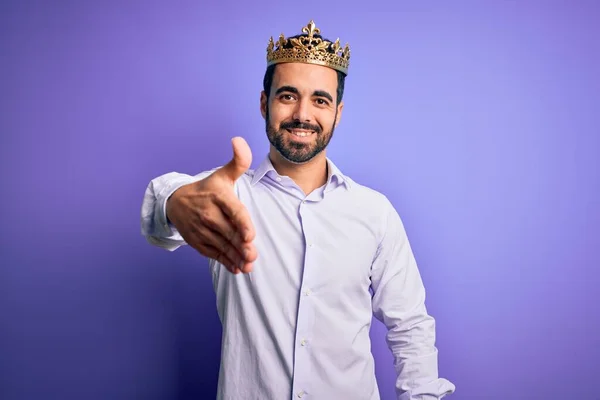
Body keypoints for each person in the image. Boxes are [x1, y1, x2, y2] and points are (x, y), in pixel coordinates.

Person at [140, 20, 455, 400]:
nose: (303, 114)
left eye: (320, 100)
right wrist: (175, 203)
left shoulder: (375, 212)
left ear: (338, 112)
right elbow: (163, 208)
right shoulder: (225, 197)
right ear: (264, 103)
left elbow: (410, 327)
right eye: (287, 95)